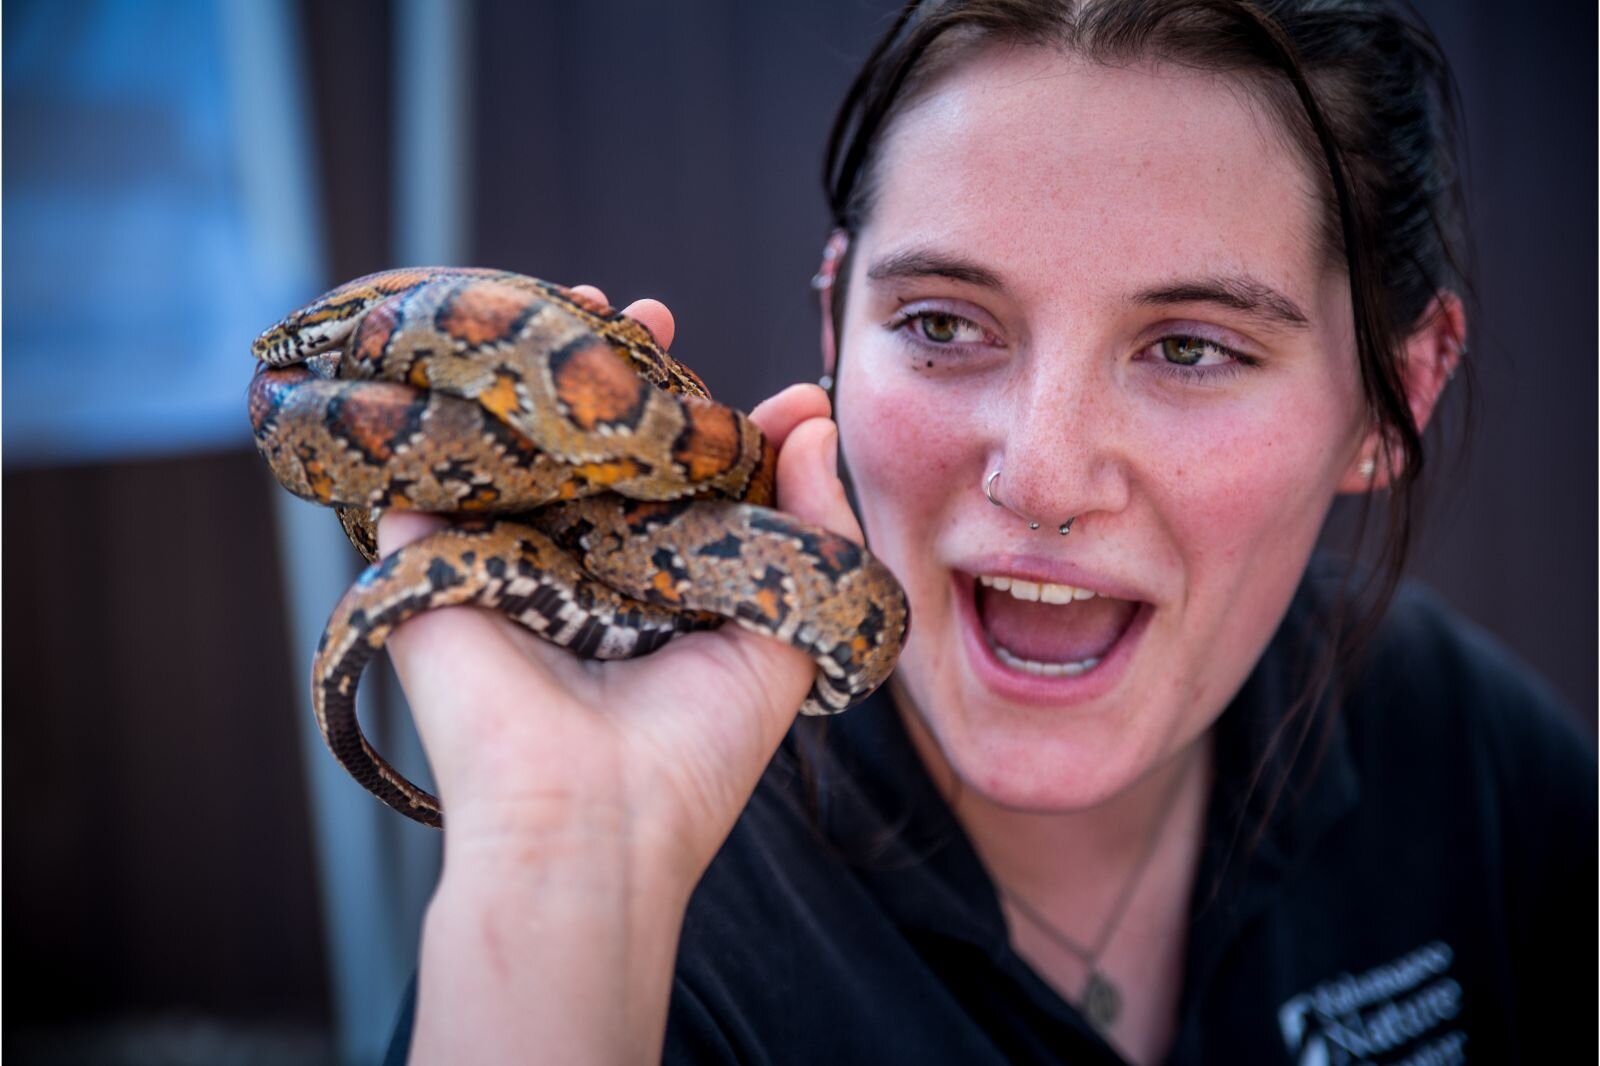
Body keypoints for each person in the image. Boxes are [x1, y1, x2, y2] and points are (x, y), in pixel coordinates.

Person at [376, 1, 1594, 1062]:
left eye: (1189, 347)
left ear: (1398, 395)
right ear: (835, 328)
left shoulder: (1465, 757)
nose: (1041, 476)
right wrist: (566, 872)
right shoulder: (651, 910)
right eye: (945, 324)